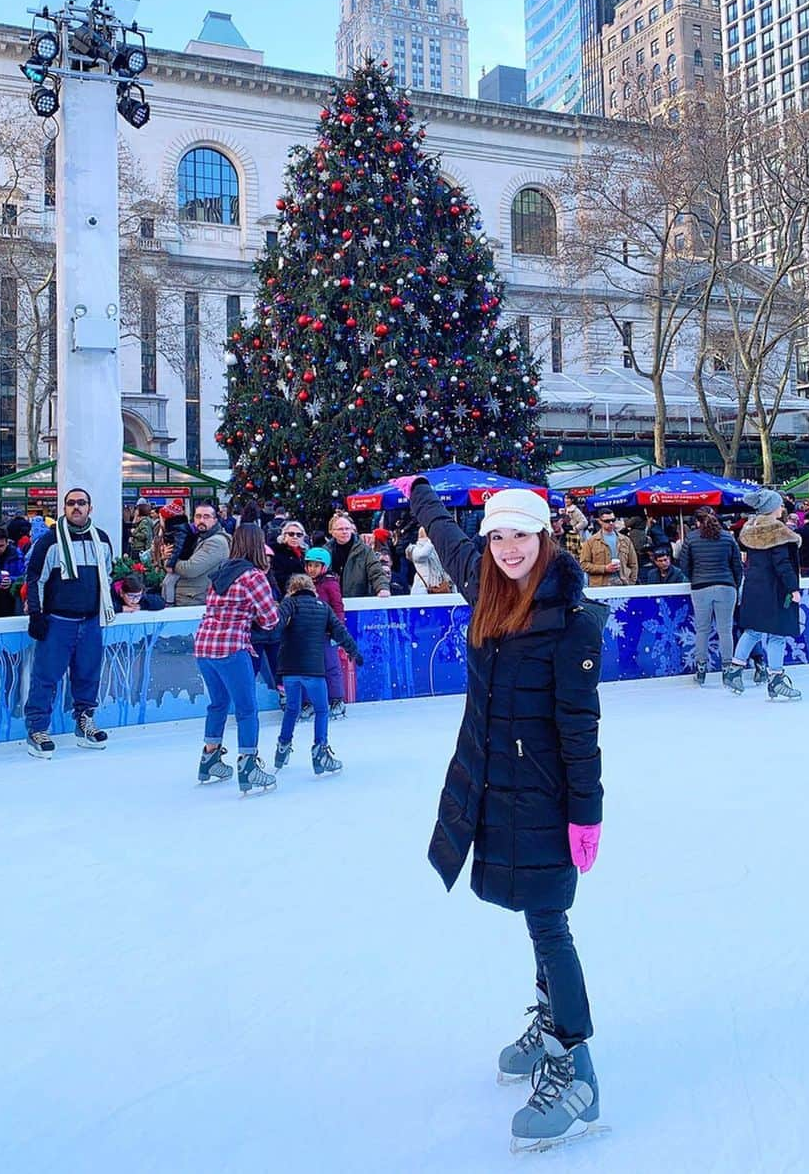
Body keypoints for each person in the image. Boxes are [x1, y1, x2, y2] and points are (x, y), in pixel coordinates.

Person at [390, 475, 606, 1153]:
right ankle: (550, 1024)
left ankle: (578, 1070)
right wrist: (420, 492)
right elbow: (447, 536)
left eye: (521, 535)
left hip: (544, 793)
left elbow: (580, 725)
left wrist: (586, 814)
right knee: (535, 915)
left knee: (549, 922)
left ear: (544, 538)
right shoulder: (484, 583)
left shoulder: (571, 622)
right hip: (494, 783)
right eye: (498, 535)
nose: (508, 548)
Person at [23, 487, 114, 757]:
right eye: (71, 503)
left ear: (90, 508)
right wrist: (37, 616)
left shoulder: (102, 540)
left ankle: (84, 722)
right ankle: (37, 728)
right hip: (58, 622)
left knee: (88, 675)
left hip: (90, 621)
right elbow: (34, 580)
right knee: (46, 678)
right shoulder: (49, 542)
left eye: (81, 503)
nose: (76, 507)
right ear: (63, 508)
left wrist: (115, 602)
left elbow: (106, 577)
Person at [193, 521, 280, 795]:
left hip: (204, 646)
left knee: (218, 704)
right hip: (231, 647)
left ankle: (210, 758)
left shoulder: (221, 573)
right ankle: (248, 765)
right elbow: (270, 619)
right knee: (246, 709)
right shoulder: (253, 577)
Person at [272, 572, 362, 775]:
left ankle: (282, 749)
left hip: (290, 669)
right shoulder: (323, 607)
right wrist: (354, 652)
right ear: (312, 590)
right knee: (322, 710)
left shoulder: (288, 605)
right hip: (313, 669)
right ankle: (320, 752)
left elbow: (274, 628)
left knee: (292, 709)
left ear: (291, 590)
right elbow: (341, 633)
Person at [723, 489, 803, 701]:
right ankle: (776, 679)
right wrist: (793, 588)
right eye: (779, 505)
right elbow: (782, 564)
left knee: (754, 630)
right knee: (777, 633)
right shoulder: (776, 531)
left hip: (754, 588)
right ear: (772, 508)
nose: (782, 508)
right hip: (774, 590)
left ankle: (735, 669)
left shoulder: (752, 530)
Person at [681, 506, 744, 686]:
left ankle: (701, 669)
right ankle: (727, 670)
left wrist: (695, 577)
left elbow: (684, 565)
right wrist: (735, 583)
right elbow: (737, 565)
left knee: (702, 630)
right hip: (726, 585)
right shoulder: (727, 537)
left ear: (697, 522)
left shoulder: (691, 538)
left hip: (701, 587)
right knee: (725, 630)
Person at [303, 546, 349, 717]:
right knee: (307, 668)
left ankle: (336, 699)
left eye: (316, 566)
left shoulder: (330, 583)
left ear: (324, 567)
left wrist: (338, 629)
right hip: (307, 634)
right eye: (309, 565)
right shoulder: (304, 583)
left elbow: (338, 606)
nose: (311, 569)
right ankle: (309, 702)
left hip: (326, 632)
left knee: (331, 666)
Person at [168, 501, 231, 606]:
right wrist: (168, 554)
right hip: (189, 597)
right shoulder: (200, 537)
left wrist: (171, 562)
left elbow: (190, 569)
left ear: (215, 520)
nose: (201, 520)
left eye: (206, 517)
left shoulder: (216, 542)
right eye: (198, 516)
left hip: (195, 600)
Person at [327, 511, 391, 597]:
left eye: (347, 528)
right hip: (332, 601)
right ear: (331, 531)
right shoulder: (325, 551)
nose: (344, 532)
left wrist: (382, 588)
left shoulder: (365, 550)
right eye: (340, 529)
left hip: (357, 600)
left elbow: (376, 571)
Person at [578, 509, 638, 587]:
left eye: (613, 520)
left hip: (623, 583)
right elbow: (584, 565)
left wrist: (631, 582)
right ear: (600, 521)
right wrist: (605, 568)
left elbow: (633, 564)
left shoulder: (625, 540)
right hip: (600, 586)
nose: (611, 523)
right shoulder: (591, 542)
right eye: (607, 521)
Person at [0, 524, 27, 616]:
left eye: (0, 546)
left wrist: (11, 580)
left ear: (7, 542)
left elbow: (23, 577)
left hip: (9, 601)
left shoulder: (16, 556)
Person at [406, 525, 453, 594]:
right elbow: (422, 555)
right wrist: (432, 540)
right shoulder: (414, 549)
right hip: (422, 589)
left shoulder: (437, 549)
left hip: (440, 587)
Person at [270, 518, 309, 592]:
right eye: (291, 534)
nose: (295, 537)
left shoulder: (305, 554)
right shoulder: (277, 552)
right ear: (284, 535)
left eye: (299, 535)